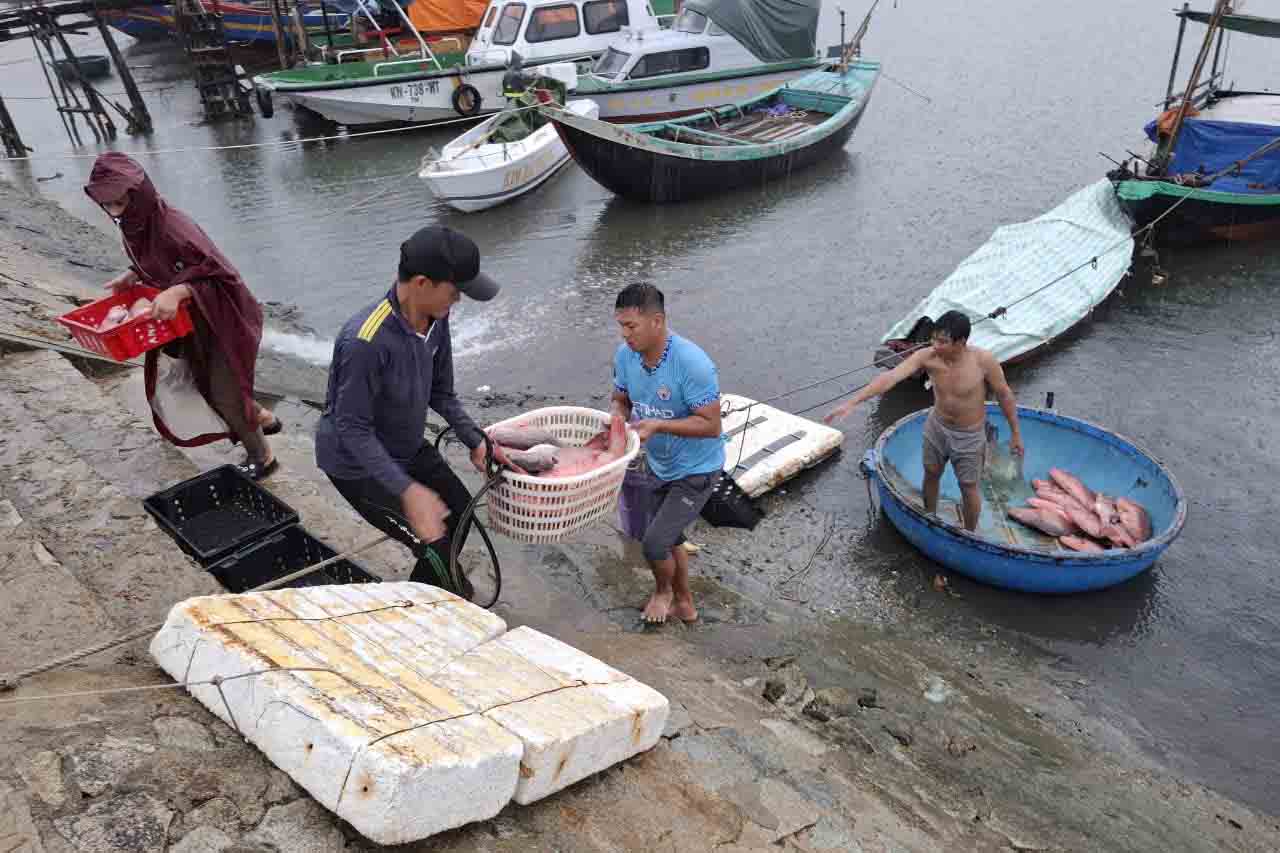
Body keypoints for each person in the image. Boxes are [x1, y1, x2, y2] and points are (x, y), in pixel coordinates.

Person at [316, 225, 519, 595]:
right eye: (455, 292)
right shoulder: (365, 341)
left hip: (406, 445)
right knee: (435, 545)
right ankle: (425, 603)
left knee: (460, 515)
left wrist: (476, 441)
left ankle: (439, 589)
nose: (457, 301)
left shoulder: (436, 320)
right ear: (423, 283)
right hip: (356, 463)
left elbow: (441, 392)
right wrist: (409, 492)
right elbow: (352, 427)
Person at [84, 153, 279, 480]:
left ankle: (263, 456)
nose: (115, 212)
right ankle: (263, 417)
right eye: (109, 205)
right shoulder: (136, 226)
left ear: (139, 194)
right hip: (192, 321)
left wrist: (178, 291)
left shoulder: (174, 226)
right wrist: (133, 274)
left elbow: (221, 274)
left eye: (120, 203)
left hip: (224, 317)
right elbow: (164, 259)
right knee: (203, 381)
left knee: (224, 392)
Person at [824, 310, 1024, 531]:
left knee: (968, 487)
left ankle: (969, 532)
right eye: (934, 339)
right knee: (931, 473)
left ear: (961, 342)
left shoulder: (983, 361)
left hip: (969, 435)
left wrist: (1015, 434)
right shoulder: (927, 357)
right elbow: (890, 378)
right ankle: (930, 517)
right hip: (937, 427)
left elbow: (1004, 394)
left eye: (943, 341)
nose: (935, 345)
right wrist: (852, 402)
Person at [610, 283, 724, 624]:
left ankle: (664, 593)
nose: (625, 335)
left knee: (654, 543)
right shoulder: (625, 356)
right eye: (621, 326)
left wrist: (658, 427)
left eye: (632, 326)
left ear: (657, 321)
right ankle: (686, 604)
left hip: (697, 468)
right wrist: (617, 420)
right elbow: (621, 398)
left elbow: (711, 425)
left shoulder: (692, 364)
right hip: (659, 463)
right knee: (671, 537)